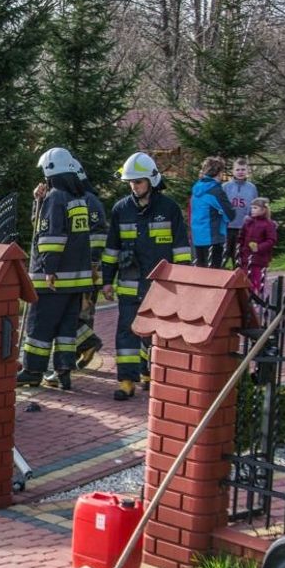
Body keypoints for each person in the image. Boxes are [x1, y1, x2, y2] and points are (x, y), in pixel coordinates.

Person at [102, 152, 192, 401]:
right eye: (131, 182)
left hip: (160, 286)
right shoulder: (121, 209)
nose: (134, 186)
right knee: (127, 331)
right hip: (129, 283)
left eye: (138, 182)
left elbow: (181, 248)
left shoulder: (169, 208)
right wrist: (107, 280)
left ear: (151, 181)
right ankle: (126, 380)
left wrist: (182, 281)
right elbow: (112, 249)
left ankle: (150, 374)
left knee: (158, 332)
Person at [16, 147, 93, 390]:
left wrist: (49, 269)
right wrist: (37, 202)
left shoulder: (56, 197)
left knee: (39, 327)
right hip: (75, 281)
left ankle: (31, 371)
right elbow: (46, 226)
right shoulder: (76, 198)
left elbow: (50, 236)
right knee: (66, 330)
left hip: (53, 279)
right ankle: (63, 373)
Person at [189, 156, 236, 268]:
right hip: (213, 237)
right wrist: (222, 214)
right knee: (213, 274)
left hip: (197, 238)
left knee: (201, 273)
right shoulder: (216, 191)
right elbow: (231, 215)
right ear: (219, 172)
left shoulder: (196, 189)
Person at [237, 197, 277, 297]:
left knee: (257, 279)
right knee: (245, 280)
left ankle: (257, 299)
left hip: (260, 258)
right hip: (246, 257)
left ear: (263, 210)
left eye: (255, 208)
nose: (252, 210)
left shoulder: (268, 224)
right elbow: (241, 237)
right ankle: (247, 299)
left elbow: (271, 240)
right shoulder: (248, 223)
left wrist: (258, 247)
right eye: (252, 208)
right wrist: (240, 249)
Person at [223, 157, 258, 267]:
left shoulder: (252, 188)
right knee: (223, 257)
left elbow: (255, 207)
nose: (240, 172)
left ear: (247, 171)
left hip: (243, 228)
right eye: (238, 170)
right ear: (233, 171)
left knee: (239, 259)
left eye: (243, 169)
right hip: (226, 228)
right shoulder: (225, 187)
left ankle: (240, 281)